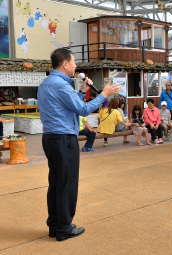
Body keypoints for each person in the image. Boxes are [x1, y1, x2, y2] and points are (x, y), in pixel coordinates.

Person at [38, 48, 121, 241]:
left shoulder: (47, 83)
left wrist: (82, 90)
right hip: (64, 139)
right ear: (65, 63)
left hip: (50, 138)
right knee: (67, 184)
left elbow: (70, 104)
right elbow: (82, 109)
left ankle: (56, 225)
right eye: (74, 62)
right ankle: (64, 228)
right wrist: (104, 94)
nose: (76, 66)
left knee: (56, 183)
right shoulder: (60, 85)